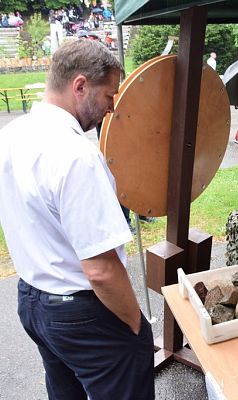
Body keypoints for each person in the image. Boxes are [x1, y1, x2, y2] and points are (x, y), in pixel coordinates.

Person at [0, 39, 154, 400]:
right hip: (80, 309)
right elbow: (100, 268)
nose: (112, 107)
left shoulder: (9, 136)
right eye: (108, 95)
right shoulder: (76, 155)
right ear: (80, 86)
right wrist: (135, 324)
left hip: (33, 299)